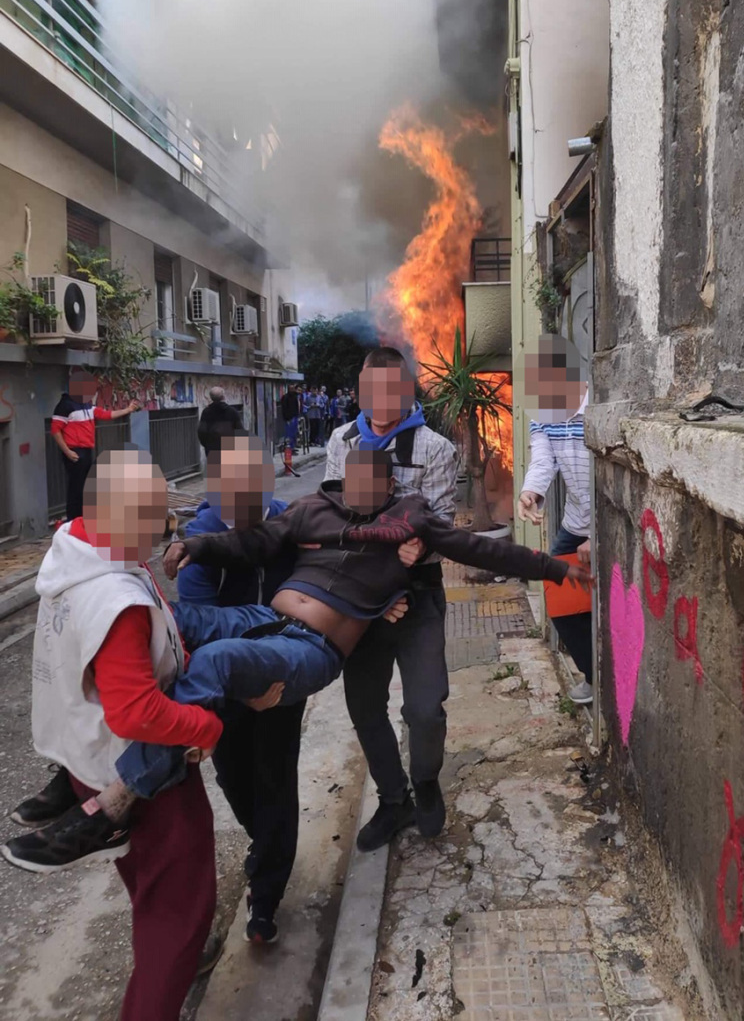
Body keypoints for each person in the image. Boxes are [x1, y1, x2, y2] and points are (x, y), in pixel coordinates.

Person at [4, 449, 586, 874]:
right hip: (265, 619)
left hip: (311, 647)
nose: (361, 489)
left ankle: (113, 804)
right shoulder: (313, 509)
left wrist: (558, 568)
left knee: (222, 664)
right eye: (352, 478)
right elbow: (255, 541)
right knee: (154, 622)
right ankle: (73, 763)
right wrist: (195, 545)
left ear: (389, 486)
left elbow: (483, 547)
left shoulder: (412, 520)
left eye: (373, 480)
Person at [7, 449, 225, 1021]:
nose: (163, 526)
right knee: (180, 905)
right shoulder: (115, 598)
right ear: (110, 513)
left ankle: (178, 954)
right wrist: (205, 724)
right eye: (151, 514)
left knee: (145, 879)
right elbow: (135, 713)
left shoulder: (74, 549)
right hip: (135, 766)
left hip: (84, 759)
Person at [325, 346, 459, 851]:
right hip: (362, 599)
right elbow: (333, 521)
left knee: (426, 708)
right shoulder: (341, 442)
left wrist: (415, 547)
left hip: (418, 594)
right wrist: (375, 588)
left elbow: (442, 523)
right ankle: (393, 797)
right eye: (370, 389)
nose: (380, 400)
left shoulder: (435, 449)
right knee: (363, 703)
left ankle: (425, 780)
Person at [176, 433, 303, 943]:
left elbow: (320, 583)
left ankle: (266, 895)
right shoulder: (199, 539)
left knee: (276, 779)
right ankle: (265, 844)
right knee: (235, 778)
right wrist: (243, 683)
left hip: (284, 672)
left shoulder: (289, 523)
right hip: (225, 683)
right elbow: (199, 625)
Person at [517, 335, 594, 705]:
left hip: (606, 523)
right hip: (574, 523)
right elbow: (543, 461)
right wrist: (529, 493)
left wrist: (601, 534)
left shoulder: (598, 407)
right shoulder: (542, 414)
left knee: (608, 602)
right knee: (561, 603)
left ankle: (616, 680)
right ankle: (596, 676)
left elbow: (609, 476)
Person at [51, 368, 139, 521]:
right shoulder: (65, 405)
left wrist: (128, 409)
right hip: (75, 451)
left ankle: (84, 518)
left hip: (87, 450)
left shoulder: (86, 405)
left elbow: (106, 415)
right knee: (76, 488)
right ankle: (74, 519)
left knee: (86, 486)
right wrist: (67, 452)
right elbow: (55, 431)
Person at [197, 386, 244, 456]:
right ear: (223, 397)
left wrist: (207, 445)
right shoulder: (232, 412)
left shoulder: (206, 412)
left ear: (211, 398)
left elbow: (202, 432)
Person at [280, 383, 301, 453]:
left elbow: (296, 407)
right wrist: (287, 418)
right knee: (289, 435)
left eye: (293, 388)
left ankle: (292, 447)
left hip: (294, 417)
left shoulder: (295, 397)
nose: (292, 390)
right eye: (291, 389)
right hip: (289, 418)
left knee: (294, 434)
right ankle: (289, 449)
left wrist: (297, 415)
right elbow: (284, 409)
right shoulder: (285, 397)